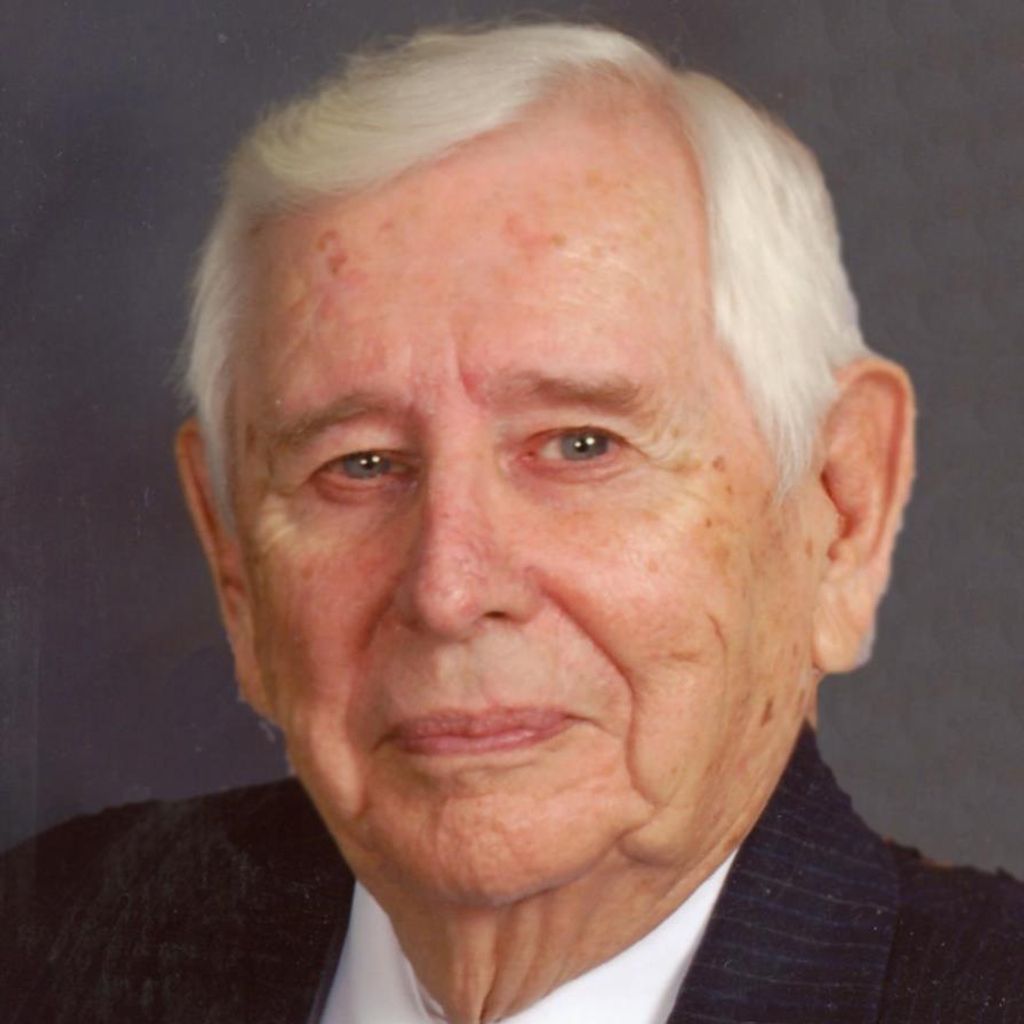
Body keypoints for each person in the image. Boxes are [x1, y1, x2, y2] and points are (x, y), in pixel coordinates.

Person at [3, 21, 1023, 1024]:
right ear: (232, 561)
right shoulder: (45, 948)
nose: (449, 591)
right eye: (359, 465)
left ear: (842, 511)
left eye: (580, 445)